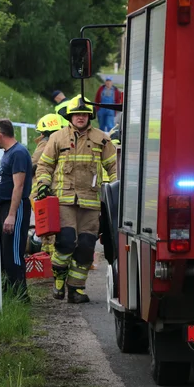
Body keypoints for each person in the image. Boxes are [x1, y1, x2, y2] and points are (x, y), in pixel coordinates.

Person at [35, 95, 117, 303]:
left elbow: (114, 167)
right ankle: (59, 278)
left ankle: (76, 289)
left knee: (87, 246)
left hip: (90, 202)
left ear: (90, 115)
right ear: (70, 116)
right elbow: (44, 166)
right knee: (65, 242)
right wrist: (44, 184)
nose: (80, 117)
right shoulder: (57, 138)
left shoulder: (102, 139)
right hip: (64, 200)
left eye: (84, 114)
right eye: (76, 114)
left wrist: (117, 191)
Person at [0, 119, 33, 302]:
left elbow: (19, 186)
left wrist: (11, 215)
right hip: (5, 206)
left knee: (14, 253)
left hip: (15, 207)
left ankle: (20, 295)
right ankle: (9, 293)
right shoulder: (8, 154)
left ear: (0, 135)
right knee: (4, 253)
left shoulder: (19, 153)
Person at [30, 113, 62, 256]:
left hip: (43, 190)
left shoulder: (45, 143)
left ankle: (48, 256)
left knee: (46, 227)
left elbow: (34, 164)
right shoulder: (64, 141)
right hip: (60, 188)